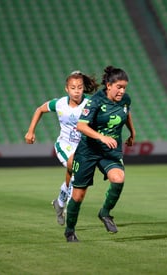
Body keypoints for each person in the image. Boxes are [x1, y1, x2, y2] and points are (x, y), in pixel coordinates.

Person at [64, 66, 136, 242]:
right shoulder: (95, 101)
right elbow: (81, 126)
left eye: (124, 87)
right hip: (88, 151)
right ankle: (70, 231)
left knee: (118, 178)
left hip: (109, 151)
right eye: (118, 86)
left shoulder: (125, 99)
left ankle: (105, 213)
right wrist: (102, 137)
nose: (122, 91)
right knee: (78, 195)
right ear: (108, 85)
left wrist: (132, 133)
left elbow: (126, 114)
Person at [25, 71, 98, 226]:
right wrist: (31, 131)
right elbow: (40, 109)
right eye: (73, 88)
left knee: (72, 171)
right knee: (74, 166)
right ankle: (69, 205)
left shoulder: (92, 102)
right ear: (67, 89)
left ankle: (60, 201)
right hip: (65, 145)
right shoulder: (59, 104)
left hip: (83, 147)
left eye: (80, 87)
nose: (77, 91)